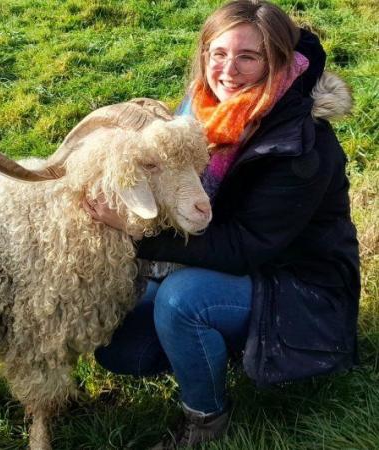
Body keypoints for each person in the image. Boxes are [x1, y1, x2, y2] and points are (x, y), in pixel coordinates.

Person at [82, 0, 360, 447]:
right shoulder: (203, 106)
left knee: (181, 301)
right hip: (230, 266)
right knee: (121, 346)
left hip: (300, 289)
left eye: (248, 57)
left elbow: (245, 248)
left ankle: (205, 423)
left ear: (278, 62)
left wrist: (138, 229)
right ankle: (224, 346)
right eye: (218, 53)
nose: (227, 70)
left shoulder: (300, 145)